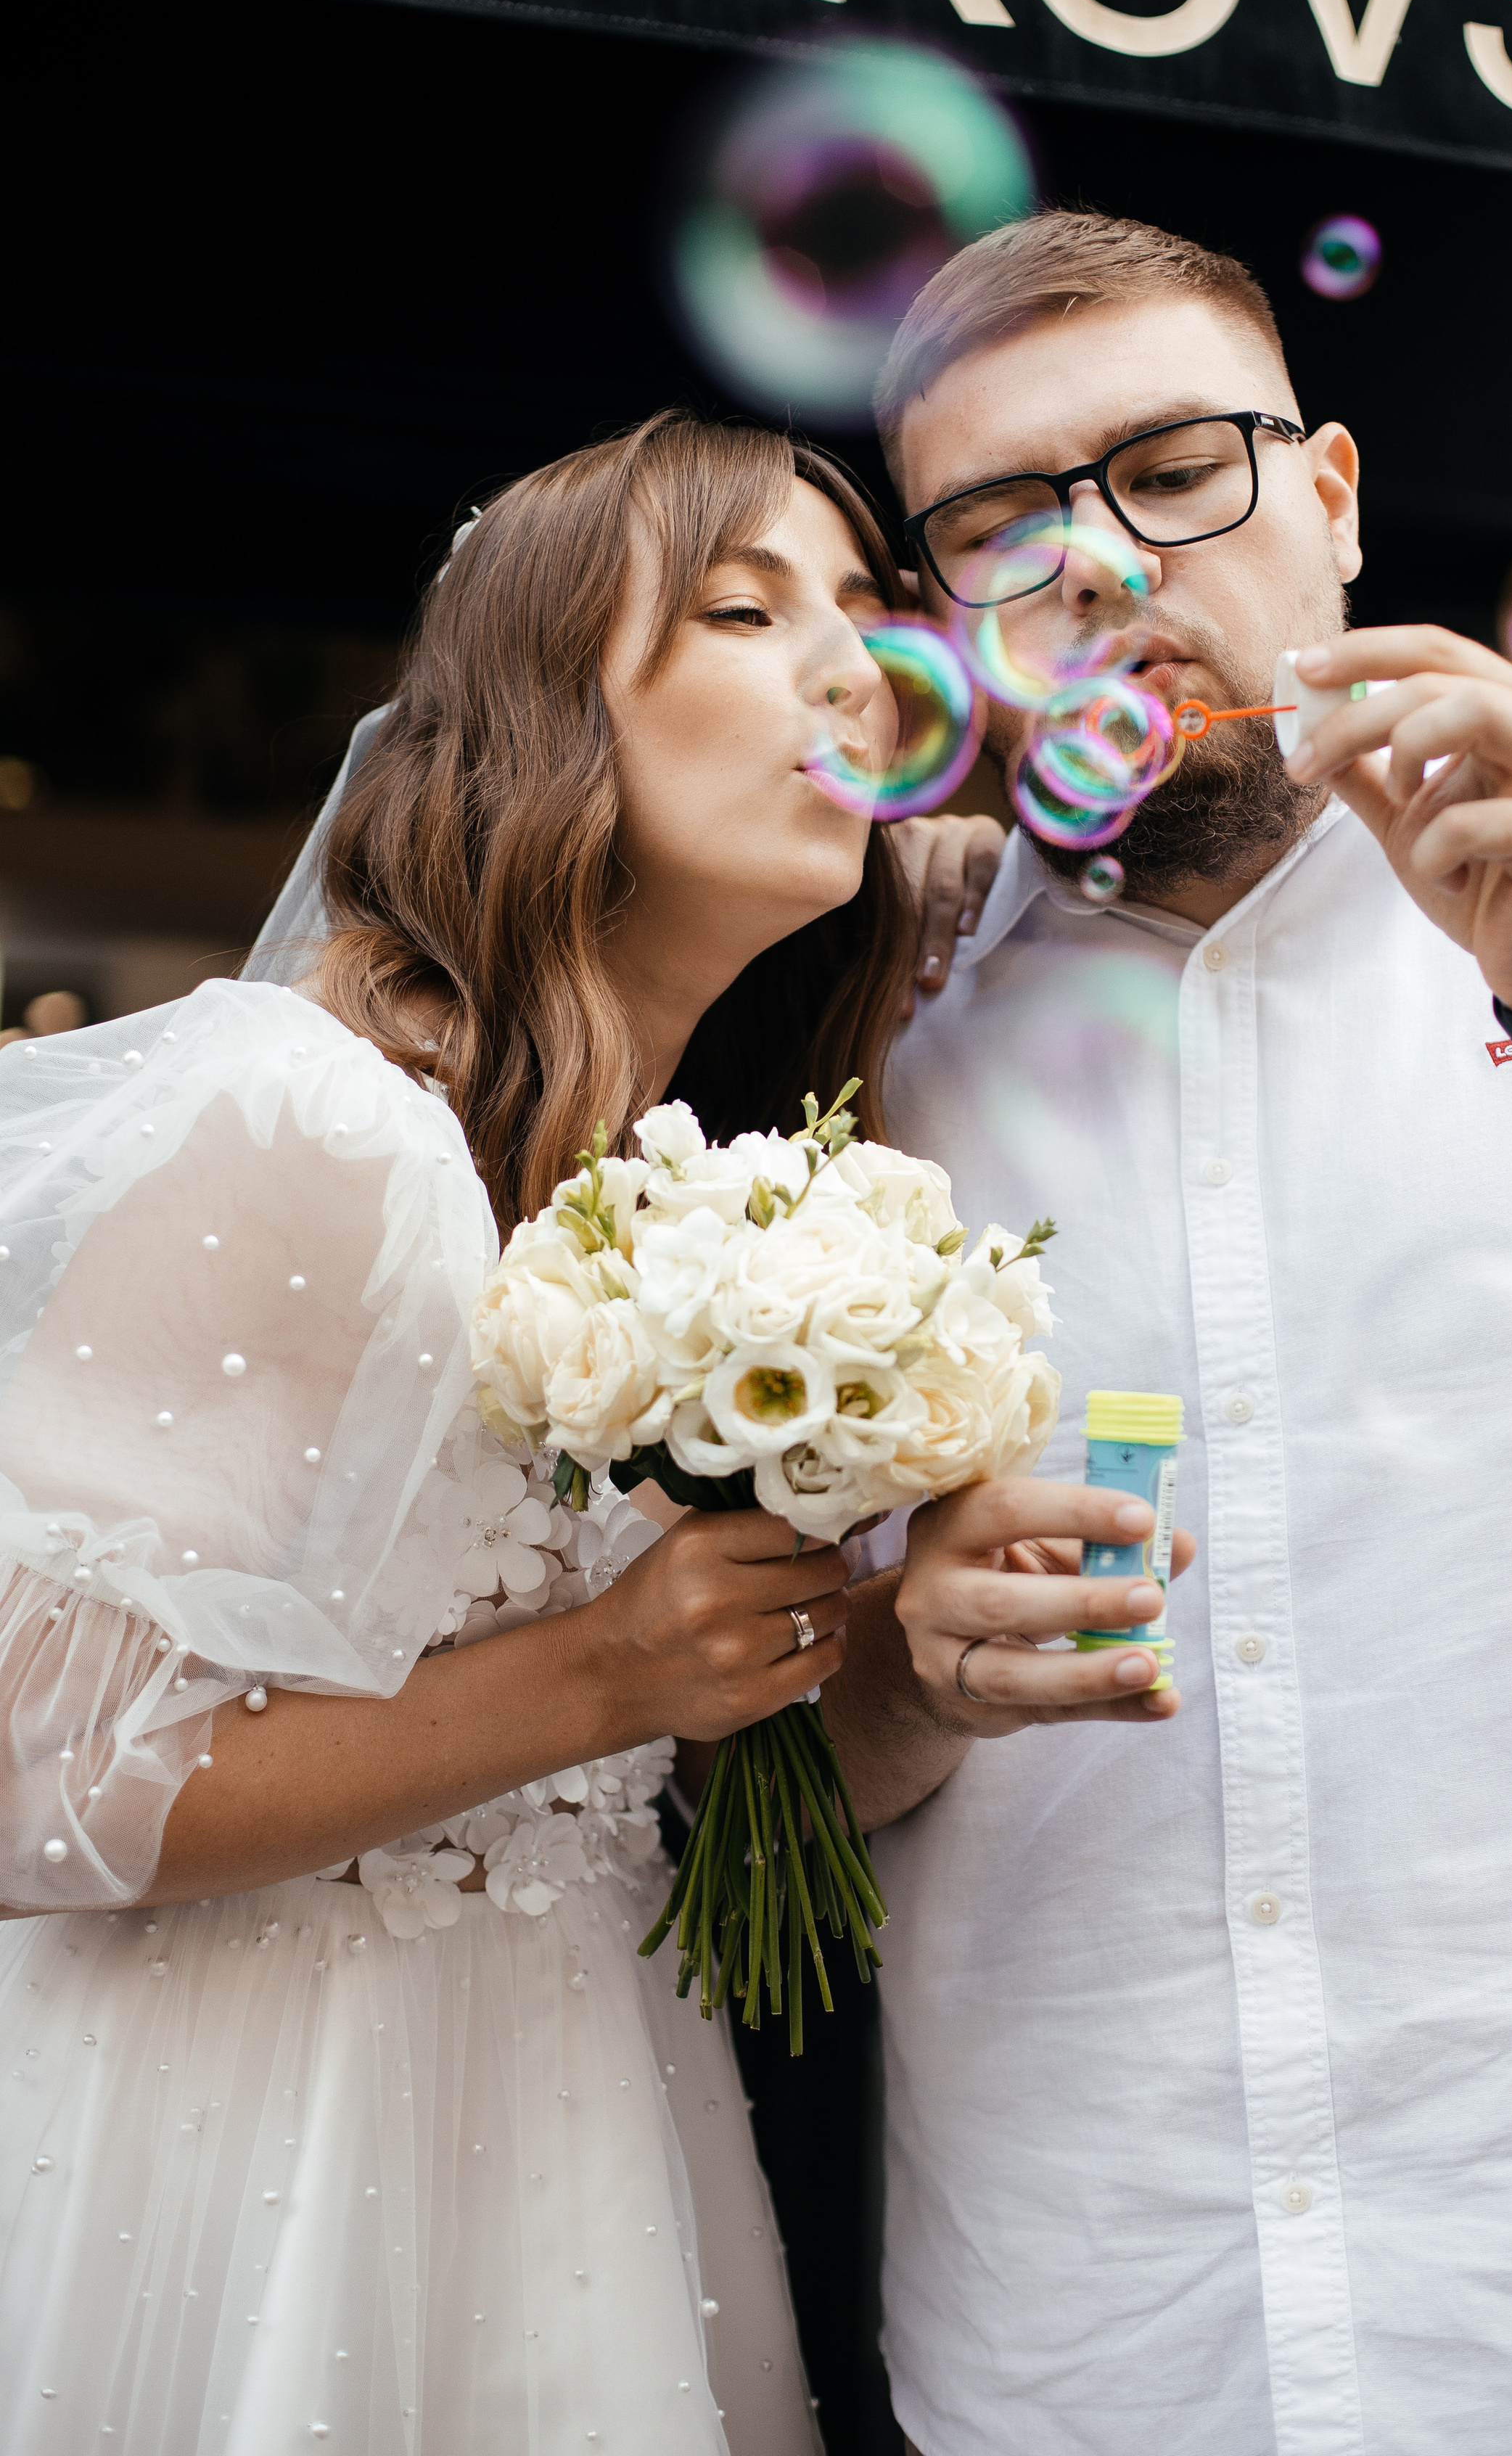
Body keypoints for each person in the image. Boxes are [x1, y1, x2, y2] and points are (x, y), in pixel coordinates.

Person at [819, 213, 1512, 2456]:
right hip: (1098, 2338)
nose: (1095, 562)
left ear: (1338, 492)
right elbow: (761, 1778)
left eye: (1175, 466)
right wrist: (898, 1663)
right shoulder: (868, 1025)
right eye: (1001, 525)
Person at [0, 408, 995, 2456]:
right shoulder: (308, 1124)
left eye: (877, 622)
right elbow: (27, 1777)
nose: (858, 674)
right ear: (546, 703)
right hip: (261, 2137)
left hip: (584, 2111)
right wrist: (605, 1675)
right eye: (746, 607)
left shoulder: (688, 1188)